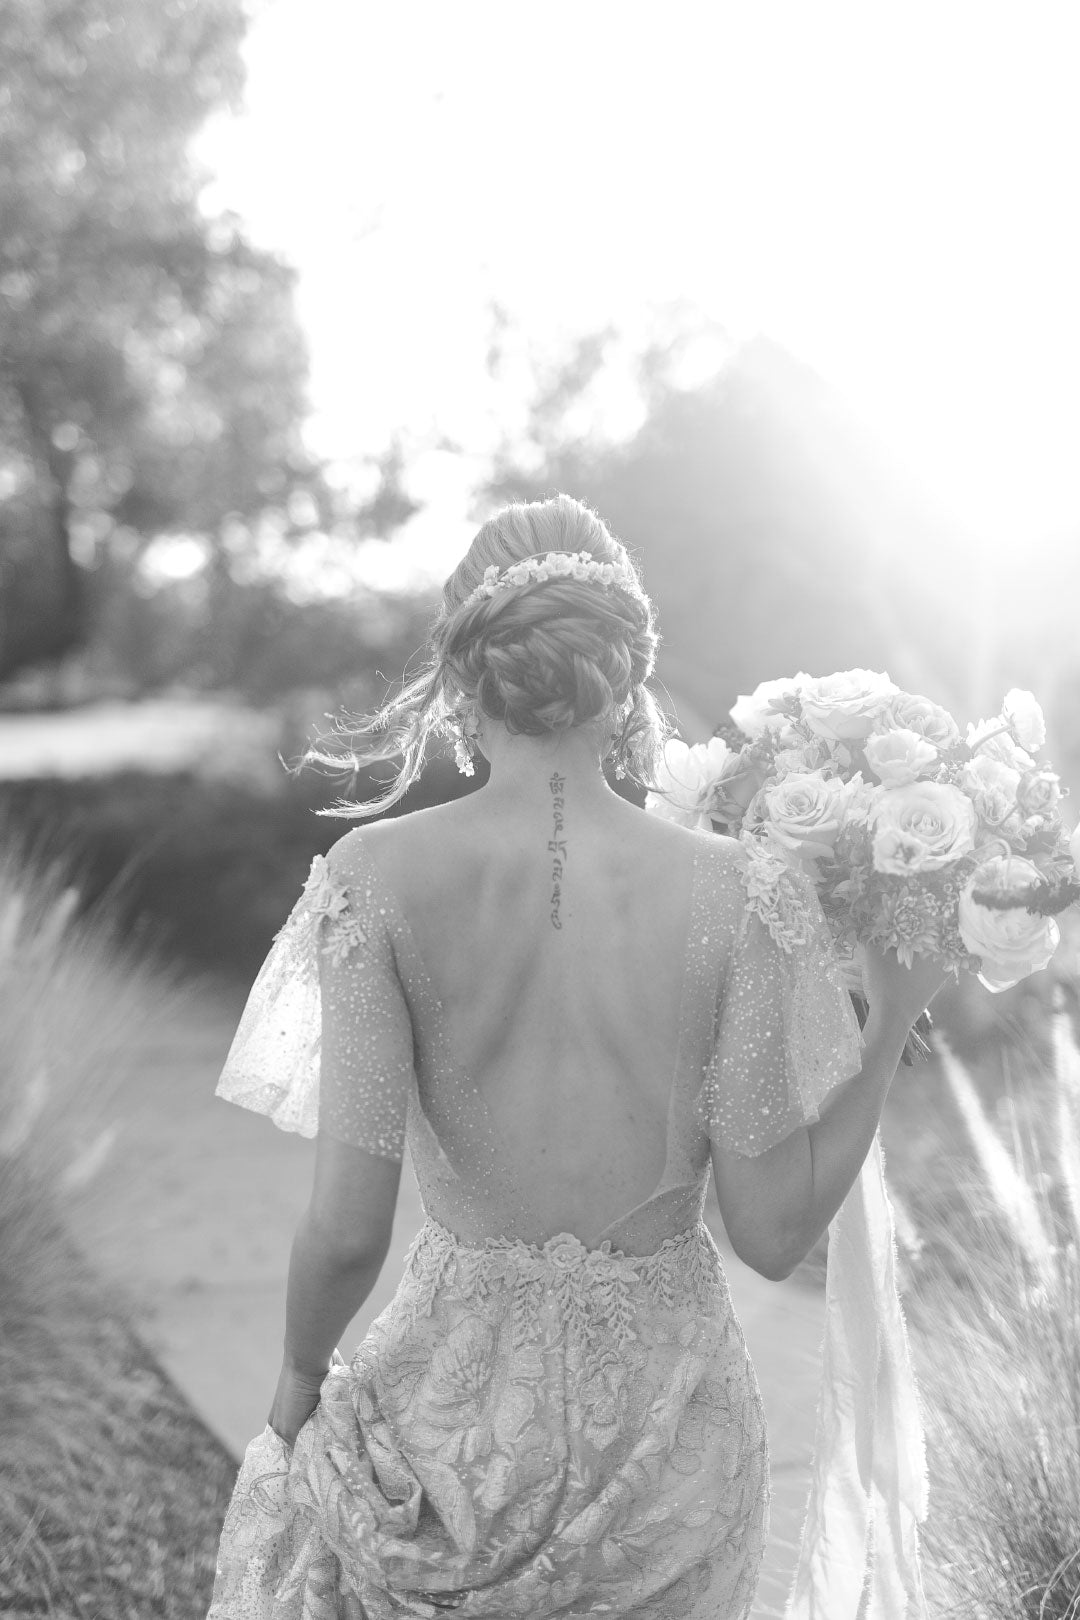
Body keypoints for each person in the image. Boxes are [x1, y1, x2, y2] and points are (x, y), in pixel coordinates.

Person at [207, 494, 945, 1620]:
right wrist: (889, 1024)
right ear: (629, 672)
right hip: (669, 1445)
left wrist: (302, 1376)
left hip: (448, 1443)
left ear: (463, 672)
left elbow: (350, 1225)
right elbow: (772, 1232)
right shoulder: (737, 893)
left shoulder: (374, 878)